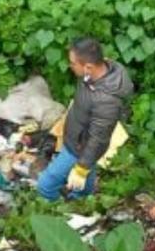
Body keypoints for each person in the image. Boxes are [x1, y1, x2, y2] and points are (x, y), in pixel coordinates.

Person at [37, 37, 133, 201]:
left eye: (73, 63)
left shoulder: (106, 101)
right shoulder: (96, 72)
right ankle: (81, 203)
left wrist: (81, 168)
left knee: (45, 185)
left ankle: (54, 211)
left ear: (88, 67)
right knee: (82, 189)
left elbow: (98, 138)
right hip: (77, 137)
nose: (70, 66)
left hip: (79, 148)